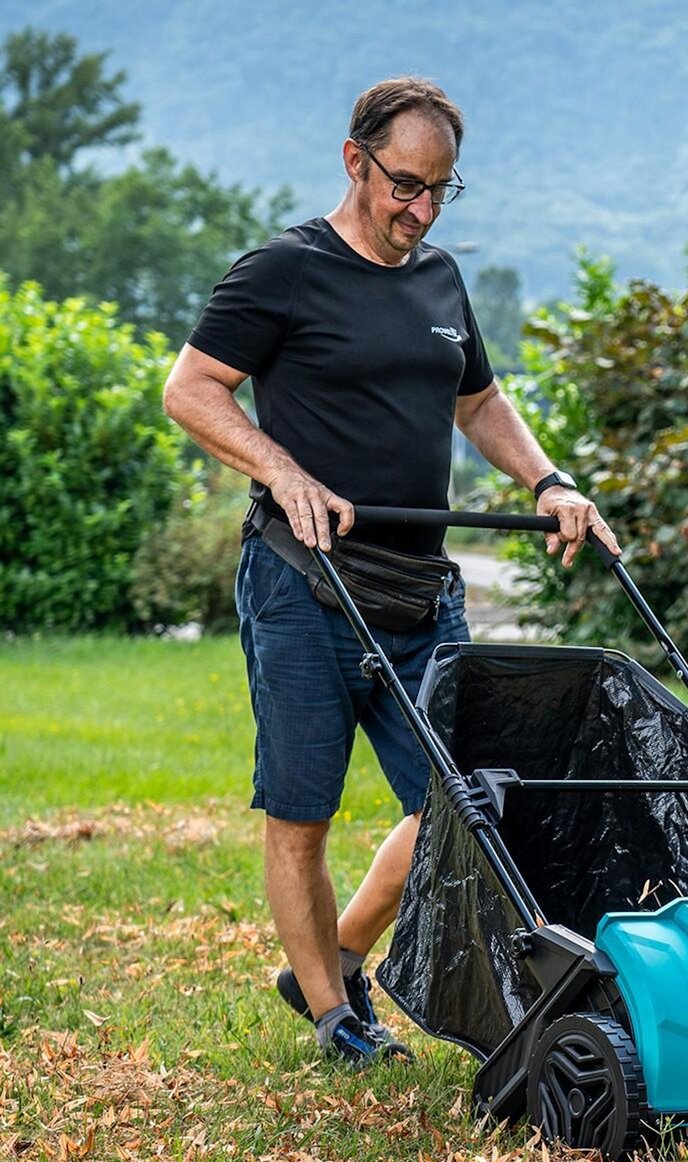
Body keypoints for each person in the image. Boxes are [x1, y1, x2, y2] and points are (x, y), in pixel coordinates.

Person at [163, 77, 620, 1064]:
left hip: (419, 591)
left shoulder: (442, 279)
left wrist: (550, 481)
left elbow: (481, 404)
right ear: (354, 160)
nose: (417, 209)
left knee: (461, 803)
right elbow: (190, 389)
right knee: (302, 813)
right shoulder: (282, 272)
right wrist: (282, 471)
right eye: (403, 185)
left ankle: (331, 957)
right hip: (303, 581)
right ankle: (337, 1017)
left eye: (439, 191)